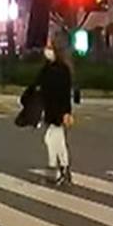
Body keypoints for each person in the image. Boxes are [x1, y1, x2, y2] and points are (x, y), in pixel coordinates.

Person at [33, 42, 78, 186]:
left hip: (59, 110)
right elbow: (40, 84)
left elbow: (65, 93)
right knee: (56, 141)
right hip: (50, 110)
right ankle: (62, 171)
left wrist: (67, 112)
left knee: (52, 139)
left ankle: (57, 171)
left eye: (50, 49)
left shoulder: (62, 70)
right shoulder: (48, 68)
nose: (47, 51)